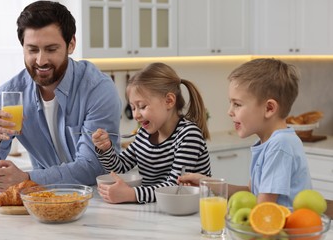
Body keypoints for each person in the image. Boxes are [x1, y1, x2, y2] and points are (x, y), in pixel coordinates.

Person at [0, 0, 121, 192]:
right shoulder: (11, 95)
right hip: (44, 202)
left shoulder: (98, 90)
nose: (41, 60)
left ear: (71, 44)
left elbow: (92, 168)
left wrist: (27, 178)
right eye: (32, 50)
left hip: (100, 203)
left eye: (51, 49)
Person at [179, 58, 312, 208]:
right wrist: (207, 182)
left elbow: (263, 208)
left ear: (269, 108)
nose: (229, 111)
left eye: (237, 104)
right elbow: (250, 193)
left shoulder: (280, 145)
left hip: (281, 230)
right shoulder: (267, 143)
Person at [92, 62, 211, 204]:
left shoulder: (188, 135)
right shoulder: (143, 134)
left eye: (142, 106)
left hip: (190, 212)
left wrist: (132, 194)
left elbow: (174, 187)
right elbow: (120, 167)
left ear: (169, 101)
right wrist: (105, 149)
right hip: (157, 208)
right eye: (133, 107)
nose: (136, 115)